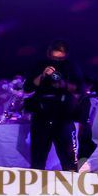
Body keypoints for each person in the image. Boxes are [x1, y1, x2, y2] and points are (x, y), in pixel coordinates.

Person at [24, 41, 80, 171]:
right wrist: (42, 75)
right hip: (41, 117)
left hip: (63, 117)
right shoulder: (39, 65)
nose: (57, 61)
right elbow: (27, 88)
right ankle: (37, 182)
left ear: (66, 55)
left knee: (69, 162)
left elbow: (79, 88)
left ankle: (72, 182)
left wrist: (62, 83)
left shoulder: (70, 66)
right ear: (49, 54)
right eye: (54, 58)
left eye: (60, 58)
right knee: (38, 161)